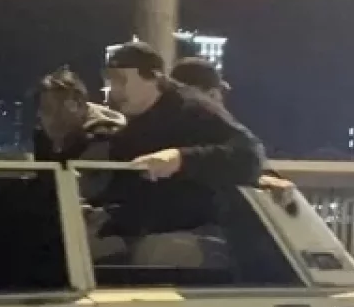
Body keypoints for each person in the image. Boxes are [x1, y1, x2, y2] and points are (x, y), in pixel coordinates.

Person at [94, 41, 267, 266]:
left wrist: (180, 159)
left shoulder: (194, 109)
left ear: (154, 77)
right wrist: (103, 212)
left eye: (121, 80)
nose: (115, 91)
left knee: (158, 253)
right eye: (111, 81)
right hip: (151, 227)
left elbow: (249, 154)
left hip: (210, 231)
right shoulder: (130, 129)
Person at [170, 56, 298, 203]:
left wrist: (262, 177)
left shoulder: (164, 121)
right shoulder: (204, 126)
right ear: (211, 94)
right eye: (218, 95)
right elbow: (239, 159)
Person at [32, 66, 125, 163]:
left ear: (81, 105)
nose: (53, 117)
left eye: (61, 107)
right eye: (46, 109)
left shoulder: (103, 140)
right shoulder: (44, 139)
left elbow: (82, 172)